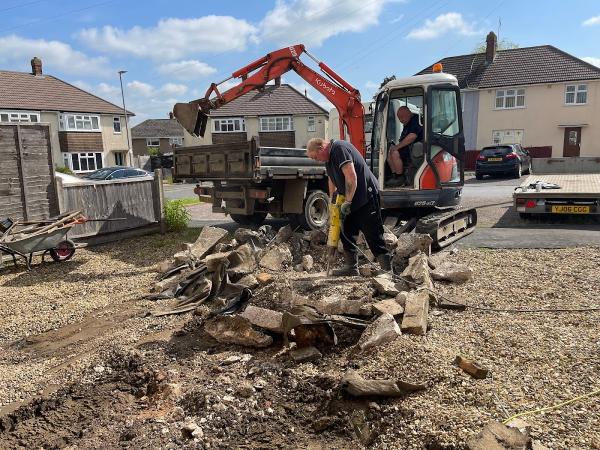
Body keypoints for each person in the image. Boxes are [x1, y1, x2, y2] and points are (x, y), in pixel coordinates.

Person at [306, 138, 391, 276]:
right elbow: (331, 179)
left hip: (365, 196)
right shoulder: (328, 158)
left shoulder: (339, 149)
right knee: (346, 231)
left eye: (315, 157)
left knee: (372, 231)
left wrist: (348, 202)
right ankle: (352, 267)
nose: (316, 160)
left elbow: (351, 177)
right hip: (349, 198)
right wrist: (332, 200)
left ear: (321, 148)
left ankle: (387, 269)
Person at [386, 106, 423, 184]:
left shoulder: (415, 120)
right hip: (407, 147)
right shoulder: (407, 123)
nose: (401, 120)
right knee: (389, 153)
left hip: (413, 148)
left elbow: (412, 136)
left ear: (408, 113)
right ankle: (394, 175)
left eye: (402, 117)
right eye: (399, 118)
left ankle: (400, 178)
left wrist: (397, 147)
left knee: (395, 153)